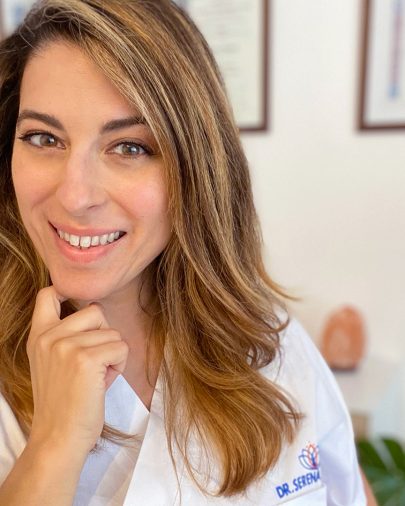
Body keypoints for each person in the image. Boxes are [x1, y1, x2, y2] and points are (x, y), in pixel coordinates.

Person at [0, 1, 368, 504]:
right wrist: (53, 446)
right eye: (44, 138)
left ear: (195, 168)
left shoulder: (268, 340)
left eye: (130, 147)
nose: (75, 196)